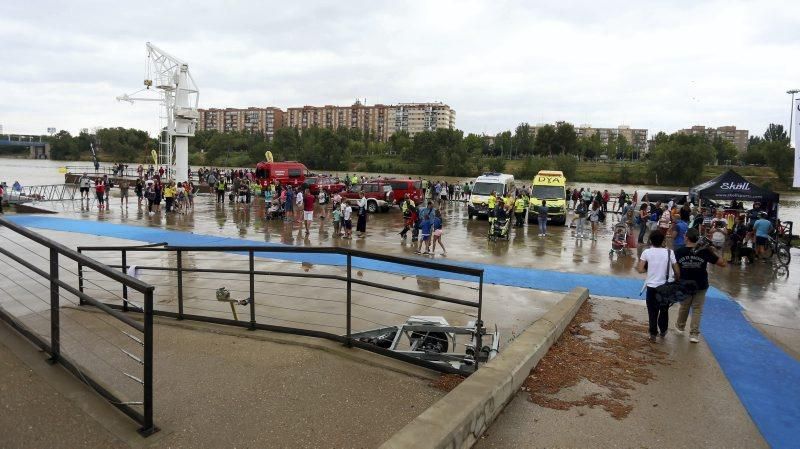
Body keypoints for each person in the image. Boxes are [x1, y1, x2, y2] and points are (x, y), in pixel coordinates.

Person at [674, 228, 726, 343]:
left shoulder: (679, 251)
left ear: (687, 238)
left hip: (685, 283)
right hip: (701, 283)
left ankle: (680, 327)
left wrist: (677, 279)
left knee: (684, 306)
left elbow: (675, 268)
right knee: (697, 309)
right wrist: (714, 251)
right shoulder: (705, 251)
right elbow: (722, 264)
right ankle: (694, 333)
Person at [637, 230, 680, 342]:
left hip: (651, 286)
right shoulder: (670, 252)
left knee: (652, 311)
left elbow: (640, 269)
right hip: (666, 286)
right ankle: (663, 331)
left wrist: (650, 267)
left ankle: (652, 334)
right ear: (663, 240)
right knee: (664, 310)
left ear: (650, 240)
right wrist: (677, 280)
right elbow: (677, 271)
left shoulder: (646, 252)